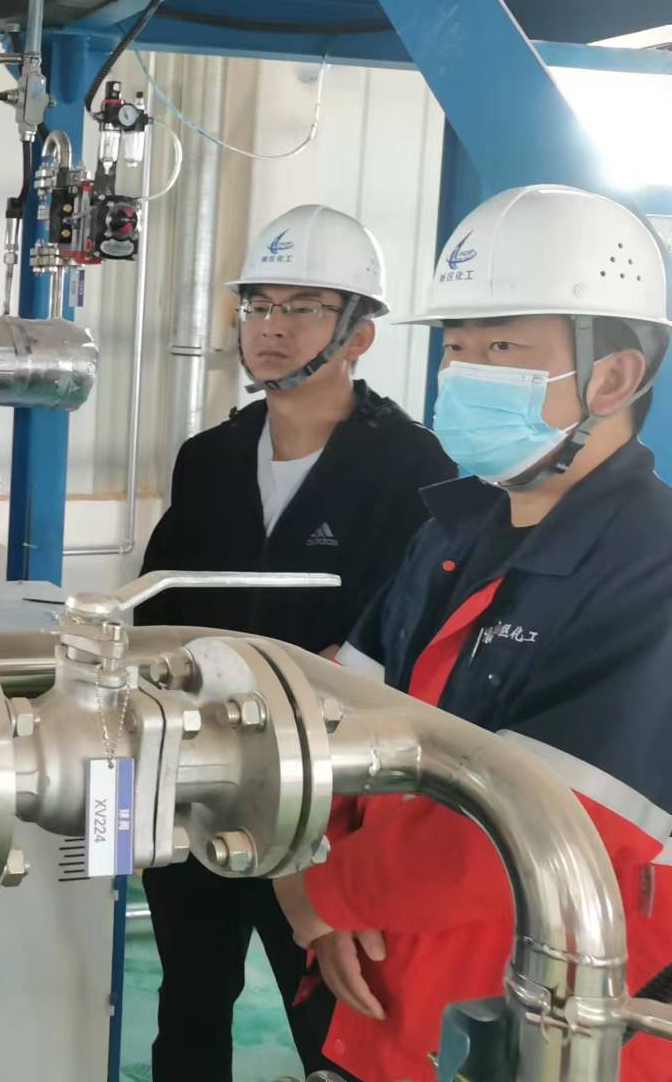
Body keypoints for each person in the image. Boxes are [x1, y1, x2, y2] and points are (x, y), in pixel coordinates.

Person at [274, 184, 672, 1082]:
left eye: (501, 348)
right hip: (386, 997)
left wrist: (320, 893)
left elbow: (547, 822)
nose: (461, 372)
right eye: (455, 346)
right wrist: (323, 894)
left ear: (613, 377)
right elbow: (338, 715)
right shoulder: (451, 535)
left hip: (549, 1025)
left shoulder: (653, 568)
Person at [134, 205, 455, 1081]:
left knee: (331, 1015)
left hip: (326, 797)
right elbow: (159, 618)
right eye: (258, 305)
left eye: (305, 307)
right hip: (202, 779)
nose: (271, 327)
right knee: (190, 999)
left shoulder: (413, 470)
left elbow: (409, 655)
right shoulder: (209, 458)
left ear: (360, 335)